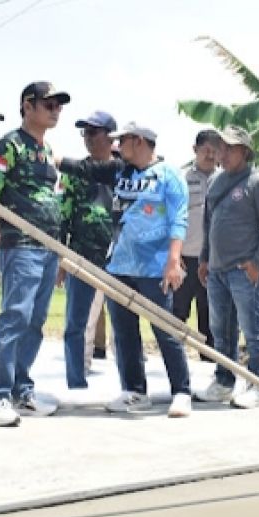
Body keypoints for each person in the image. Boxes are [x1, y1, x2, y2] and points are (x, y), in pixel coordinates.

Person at [59, 121, 193, 417]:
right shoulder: (121, 171)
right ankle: (134, 390)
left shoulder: (169, 175)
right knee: (123, 331)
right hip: (118, 265)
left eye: (124, 141)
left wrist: (173, 260)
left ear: (140, 142)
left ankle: (181, 391)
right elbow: (86, 169)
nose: (117, 146)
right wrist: (50, 157)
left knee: (165, 330)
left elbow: (179, 220)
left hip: (154, 267)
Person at [0, 81, 70, 426]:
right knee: (14, 318)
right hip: (20, 246)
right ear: (27, 106)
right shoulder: (8, 147)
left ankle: (21, 389)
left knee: (35, 322)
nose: (55, 110)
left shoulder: (48, 152)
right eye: (48, 104)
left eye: (58, 105)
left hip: (48, 248)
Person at [196, 126, 259, 408]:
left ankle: (258, 383)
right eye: (221, 147)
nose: (224, 153)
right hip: (217, 270)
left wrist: (257, 264)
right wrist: (205, 258)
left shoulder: (258, 184)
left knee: (253, 327)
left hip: (244, 271)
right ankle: (223, 381)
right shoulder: (216, 182)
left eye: (230, 148)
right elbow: (209, 225)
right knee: (221, 329)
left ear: (244, 151)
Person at [59, 109, 118, 389]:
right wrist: (61, 255)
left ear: (111, 137)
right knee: (78, 324)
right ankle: (76, 381)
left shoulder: (126, 171)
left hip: (121, 259)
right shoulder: (75, 173)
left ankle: (130, 387)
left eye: (94, 132)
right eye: (85, 133)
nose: (88, 139)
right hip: (82, 255)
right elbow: (64, 215)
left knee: (124, 326)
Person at [172, 129, 220, 348]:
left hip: (215, 260)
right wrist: (174, 254)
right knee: (178, 311)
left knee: (210, 313)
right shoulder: (181, 179)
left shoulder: (224, 180)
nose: (210, 155)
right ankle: (175, 358)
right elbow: (172, 218)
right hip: (186, 256)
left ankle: (210, 361)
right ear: (195, 150)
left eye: (214, 151)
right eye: (206, 150)